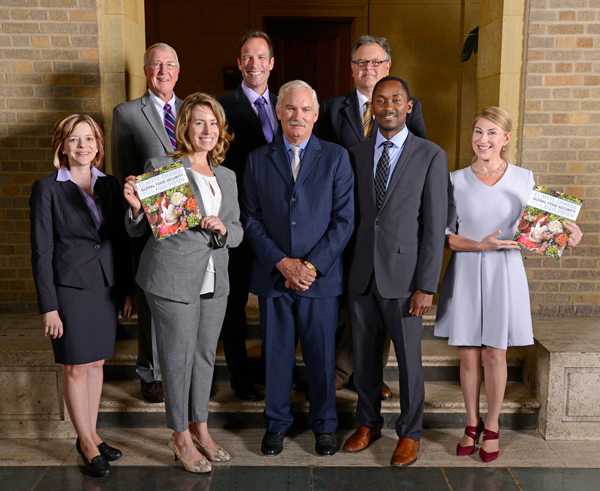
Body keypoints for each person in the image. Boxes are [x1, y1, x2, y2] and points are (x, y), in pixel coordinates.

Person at [434, 107, 583, 463]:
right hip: (467, 268)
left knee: (494, 353)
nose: (483, 139)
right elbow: (445, 237)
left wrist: (566, 235)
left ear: (506, 138)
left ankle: (494, 424)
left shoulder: (524, 178)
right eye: (478, 131)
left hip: (505, 271)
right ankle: (471, 423)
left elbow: (539, 232)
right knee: (468, 353)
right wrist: (478, 244)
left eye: (491, 133)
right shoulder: (454, 180)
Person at [124, 93, 242, 474]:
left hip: (214, 276)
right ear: (185, 127)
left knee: (205, 355)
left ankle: (201, 429)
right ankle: (179, 435)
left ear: (220, 131)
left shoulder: (227, 176)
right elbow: (141, 228)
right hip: (172, 276)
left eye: (213, 123)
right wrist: (137, 208)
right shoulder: (163, 166)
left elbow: (238, 229)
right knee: (177, 360)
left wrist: (225, 228)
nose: (206, 130)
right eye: (199, 123)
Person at [242, 80, 354, 457]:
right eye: (290, 108)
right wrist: (283, 263)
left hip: (319, 280)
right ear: (278, 112)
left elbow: (344, 221)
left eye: (306, 109)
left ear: (316, 114)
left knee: (322, 357)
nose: (298, 116)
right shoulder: (258, 159)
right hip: (274, 277)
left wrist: (310, 266)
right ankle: (276, 423)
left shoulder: (336, 157)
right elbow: (251, 219)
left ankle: (324, 426)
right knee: (275, 355)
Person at [314, 35, 427, 399]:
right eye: (362, 63)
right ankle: (341, 368)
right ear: (352, 69)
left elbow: (419, 162)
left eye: (376, 62)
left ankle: (371, 376)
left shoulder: (408, 107)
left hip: (389, 228)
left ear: (387, 67)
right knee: (351, 299)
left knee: (380, 299)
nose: (369, 69)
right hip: (344, 221)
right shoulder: (330, 109)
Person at [343, 76, 448, 466]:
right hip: (361, 275)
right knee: (365, 360)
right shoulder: (354, 154)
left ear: (408, 106)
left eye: (396, 100)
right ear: (371, 107)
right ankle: (368, 423)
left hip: (406, 280)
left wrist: (426, 285)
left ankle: (410, 432)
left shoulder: (430, 155)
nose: (387, 106)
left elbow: (435, 227)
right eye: (380, 100)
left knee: (409, 361)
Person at [30, 114, 135, 478]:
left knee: (96, 363)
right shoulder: (47, 188)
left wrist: (125, 290)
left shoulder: (110, 185)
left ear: (98, 145)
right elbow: (41, 252)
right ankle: (86, 441)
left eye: (89, 139)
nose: (83, 146)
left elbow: (121, 242)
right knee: (75, 365)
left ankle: (91, 434)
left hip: (104, 286)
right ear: (61, 145)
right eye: (74, 140)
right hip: (69, 289)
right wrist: (50, 307)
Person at [111, 42, 183, 403]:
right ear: (146, 71)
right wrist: (137, 212)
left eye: (169, 65)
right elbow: (123, 172)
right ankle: (152, 373)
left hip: (189, 222)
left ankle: (182, 372)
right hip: (149, 223)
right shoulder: (126, 113)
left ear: (178, 71)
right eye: (156, 65)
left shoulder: (191, 110)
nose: (163, 71)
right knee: (152, 300)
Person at [217, 31, 279, 401]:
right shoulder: (221, 108)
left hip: (280, 224)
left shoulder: (288, 104)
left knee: (276, 299)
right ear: (239, 64)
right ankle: (240, 376)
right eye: (247, 57)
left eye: (261, 57)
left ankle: (276, 370)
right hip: (238, 220)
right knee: (234, 300)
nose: (254, 63)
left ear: (271, 63)